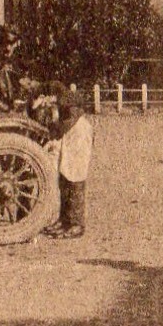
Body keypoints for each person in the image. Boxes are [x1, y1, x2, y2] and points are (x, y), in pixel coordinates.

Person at [41, 85, 93, 239]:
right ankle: (64, 220)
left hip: (77, 131)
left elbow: (70, 116)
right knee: (64, 177)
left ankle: (76, 224)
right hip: (69, 132)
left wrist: (54, 102)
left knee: (75, 177)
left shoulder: (64, 95)